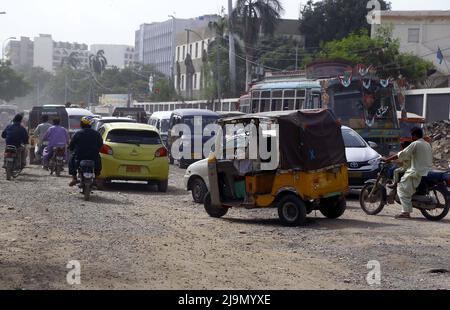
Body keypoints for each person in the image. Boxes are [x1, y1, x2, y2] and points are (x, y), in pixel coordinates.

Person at [384, 127, 433, 219]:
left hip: (416, 172)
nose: (411, 138)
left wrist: (387, 159)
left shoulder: (415, 144)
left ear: (414, 135)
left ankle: (405, 212)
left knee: (401, 189)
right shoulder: (427, 144)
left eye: (412, 135)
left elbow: (401, 154)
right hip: (427, 170)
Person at [68, 116, 103, 187]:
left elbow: (72, 144)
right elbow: (100, 145)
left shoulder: (77, 133)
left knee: (71, 160)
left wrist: (71, 148)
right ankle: (96, 178)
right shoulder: (97, 134)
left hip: (79, 156)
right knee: (99, 161)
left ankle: (74, 178)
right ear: (90, 125)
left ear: (81, 124)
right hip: (93, 156)